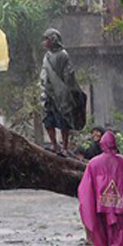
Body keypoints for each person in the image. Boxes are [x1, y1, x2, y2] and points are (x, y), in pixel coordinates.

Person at [40, 28, 86, 156]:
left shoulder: (63, 55)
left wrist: (69, 90)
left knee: (63, 121)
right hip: (48, 94)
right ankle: (55, 145)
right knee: (48, 121)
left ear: (53, 40)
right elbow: (44, 73)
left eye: (46, 39)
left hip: (61, 94)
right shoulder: (47, 56)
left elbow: (68, 74)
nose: (44, 42)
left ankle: (65, 147)